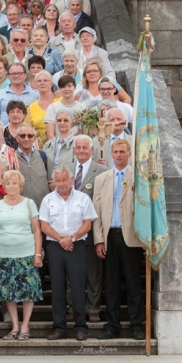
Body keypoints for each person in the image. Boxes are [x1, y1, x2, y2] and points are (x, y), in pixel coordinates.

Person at [92, 139, 145, 340]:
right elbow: (96, 211)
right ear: (111, 153)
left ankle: (137, 325)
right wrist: (98, 240)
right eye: (116, 151)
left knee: (133, 283)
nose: (119, 155)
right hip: (109, 236)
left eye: (123, 151)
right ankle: (112, 325)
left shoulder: (138, 178)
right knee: (111, 284)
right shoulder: (102, 179)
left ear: (129, 153)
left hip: (130, 237)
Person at [39, 165, 98, 341]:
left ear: (71, 180)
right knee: (57, 287)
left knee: (78, 287)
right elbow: (44, 225)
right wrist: (61, 239)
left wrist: (71, 238)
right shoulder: (48, 199)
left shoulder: (83, 198)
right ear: (54, 181)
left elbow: (88, 224)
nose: (61, 183)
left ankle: (81, 327)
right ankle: (59, 328)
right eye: (58, 180)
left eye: (64, 179)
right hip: (55, 247)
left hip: (77, 246)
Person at [0, 169, 43, 341]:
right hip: (3, 254)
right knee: (8, 292)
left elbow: (37, 230)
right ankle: (15, 326)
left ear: (20, 186)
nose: (11, 186)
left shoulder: (29, 203)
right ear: (4, 186)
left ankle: (25, 327)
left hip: (26, 253)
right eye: (8, 183)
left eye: (14, 183)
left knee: (28, 291)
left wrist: (37, 254)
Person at [69, 135, 108, 323]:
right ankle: (72, 306)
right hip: (69, 231)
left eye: (85, 147)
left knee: (93, 272)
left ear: (92, 149)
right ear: (74, 149)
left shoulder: (101, 171)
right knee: (71, 272)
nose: (81, 150)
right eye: (78, 147)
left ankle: (93, 307)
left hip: (92, 230)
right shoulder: (66, 170)